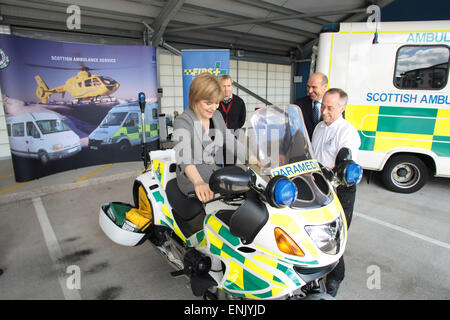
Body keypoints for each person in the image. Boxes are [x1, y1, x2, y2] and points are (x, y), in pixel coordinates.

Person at [311, 88, 361, 297]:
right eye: (323, 106)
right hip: (317, 186)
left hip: (340, 190)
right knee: (314, 232)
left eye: (330, 107)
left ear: (342, 108)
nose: (324, 111)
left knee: (334, 237)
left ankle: (336, 277)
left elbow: (345, 158)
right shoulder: (319, 127)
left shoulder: (347, 132)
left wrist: (340, 165)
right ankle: (315, 270)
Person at [172, 73, 244, 203]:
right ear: (195, 98)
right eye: (208, 103)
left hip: (214, 175)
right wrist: (198, 182)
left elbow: (230, 140)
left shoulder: (216, 116)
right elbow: (185, 158)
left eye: (217, 103)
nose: (214, 107)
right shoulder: (182, 121)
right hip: (193, 183)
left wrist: (253, 158)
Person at [294, 72, 328, 139]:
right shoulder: (298, 104)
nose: (310, 91)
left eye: (314, 87)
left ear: (325, 87)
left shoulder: (335, 106)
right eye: (308, 87)